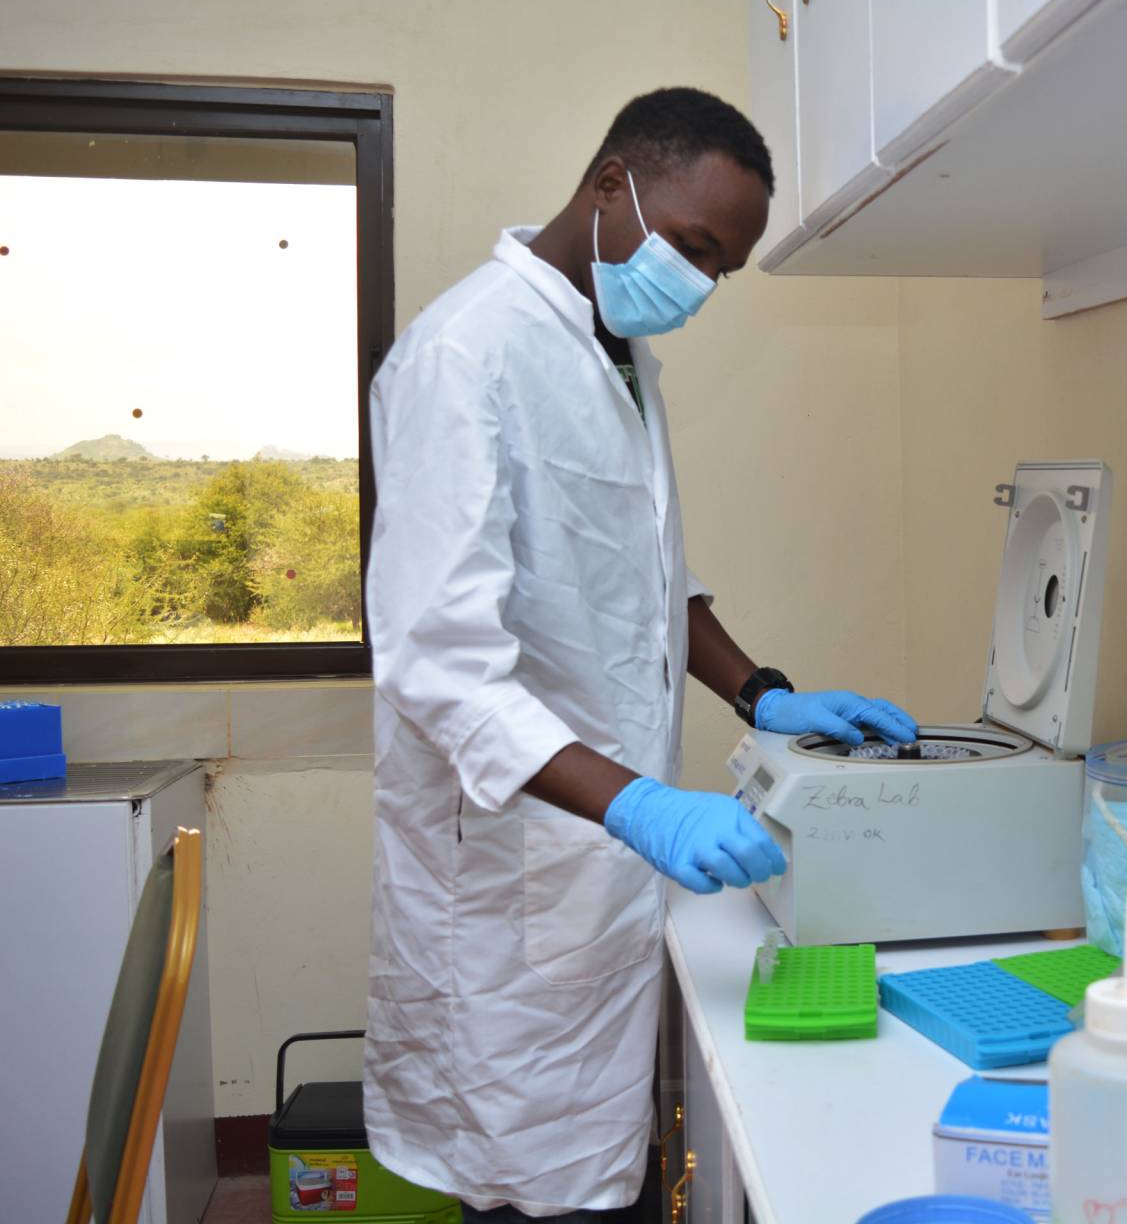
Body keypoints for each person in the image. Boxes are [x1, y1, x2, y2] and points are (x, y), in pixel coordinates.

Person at [361, 87, 916, 1221]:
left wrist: (764, 693)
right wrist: (641, 809)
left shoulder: (618, 356)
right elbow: (438, 663)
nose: (702, 285)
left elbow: (656, 580)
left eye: (724, 270)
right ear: (611, 182)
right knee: (528, 1186)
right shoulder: (464, 357)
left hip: (603, 860)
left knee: (602, 1173)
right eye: (697, 246)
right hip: (519, 872)